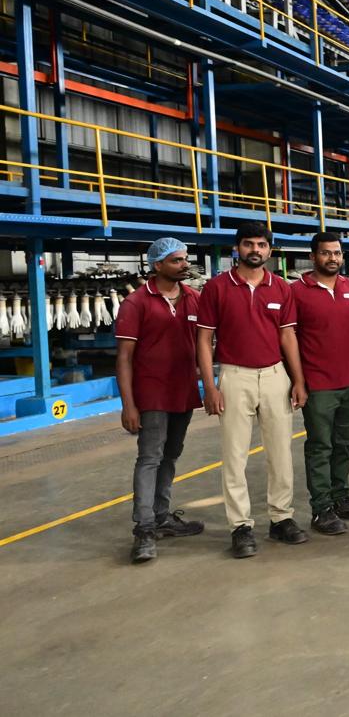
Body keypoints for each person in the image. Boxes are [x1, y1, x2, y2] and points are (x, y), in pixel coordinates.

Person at [196, 223, 309, 558]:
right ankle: (241, 526)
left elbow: (288, 337)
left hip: (275, 375)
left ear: (269, 250)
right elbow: (204, 339)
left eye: (261, 245)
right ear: (237, 248)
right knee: (235, 456)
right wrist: (210, 385)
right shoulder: (216, 288)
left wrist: (298, 380)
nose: (255, 250)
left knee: (281, 453)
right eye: (248, 244)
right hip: (235, 377)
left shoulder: (281, 288)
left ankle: (281, 518)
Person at [116, 237, 204, 564]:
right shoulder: (136, 303)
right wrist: (128, 405)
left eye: (185, 259)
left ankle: (161, 515)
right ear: (157, 265)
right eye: (177, 260)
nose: (184, 265)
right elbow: (124, 358)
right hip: (151, 393)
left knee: (171, 455)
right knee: (150, 458)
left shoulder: (193, 298)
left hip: (183, 392)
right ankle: (144, 529)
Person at [293, 232, 349, 536]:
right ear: (313, 257)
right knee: (320, 447)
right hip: (318, 385)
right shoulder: (297, 292)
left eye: (337, 253)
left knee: (344, 444)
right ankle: (321, 508)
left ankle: (341, 497)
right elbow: (288, 339)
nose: (332, 258)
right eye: (326, 253)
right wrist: (298, 381)